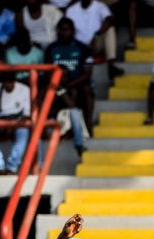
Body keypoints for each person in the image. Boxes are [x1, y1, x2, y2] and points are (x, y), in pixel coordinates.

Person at [45, 17, 95, 154]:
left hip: (76, 84)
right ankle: (46, 127)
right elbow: (47, 72)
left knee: (85, 92)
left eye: (66, 30)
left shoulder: (82, 48)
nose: (63, 33)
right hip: (57, 86)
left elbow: (87, 74)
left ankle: (88, 125)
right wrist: (60, 85)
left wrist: (70, 84)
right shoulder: (51, 48)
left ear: (73, 31)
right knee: (67, 104)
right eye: (61, 30)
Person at [0, 72, 30, 175]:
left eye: (10, 82)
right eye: (6, 82)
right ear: (2, 82)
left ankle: (12, 167)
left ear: (14, 81)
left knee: (24, 130)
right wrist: (2, 125)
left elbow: (27, 116)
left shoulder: (24, 90)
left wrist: (12, 125)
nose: (8, 84)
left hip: (18, 122)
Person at [65, 0, 120, 80]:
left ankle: (111, 64)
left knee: (110, 30)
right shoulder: (71, 10)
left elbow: (109, 19)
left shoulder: (100, 6)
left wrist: (97, 35)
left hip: (95, 44)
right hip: (78, 47)